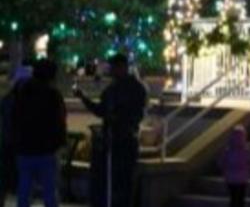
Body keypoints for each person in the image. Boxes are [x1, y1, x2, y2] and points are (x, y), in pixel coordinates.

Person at [74, 53, 148, 207]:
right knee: (111, 183)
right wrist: (83, 98)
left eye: (115, 68)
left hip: (125, 140)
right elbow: (101, 110)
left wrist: (120, 119)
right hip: (111, 141)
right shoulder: (113, 90)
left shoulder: (135, 89)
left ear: (123, 68)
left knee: (123, 183)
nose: (112, 71)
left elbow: (137, 113)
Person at [11, 59, 66, 207]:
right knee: (49, 191)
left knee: (24, 189)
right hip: (46, 150)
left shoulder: (23, 92)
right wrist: (60, 142)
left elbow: (14, 118)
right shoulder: (53, 94)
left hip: (24, 148)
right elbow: (60, 121)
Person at [1, 65, 33, 205]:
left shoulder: (7, 100)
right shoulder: (26, 100)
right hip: (21, 147)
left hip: (9, 145)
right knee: (23, 184)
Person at [218, 126, 250, 207]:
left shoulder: (230, 150)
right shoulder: (245, 150)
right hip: (237, 178)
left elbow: (221, 163)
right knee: (237, 198)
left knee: (236, 198)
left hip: (236, 178)